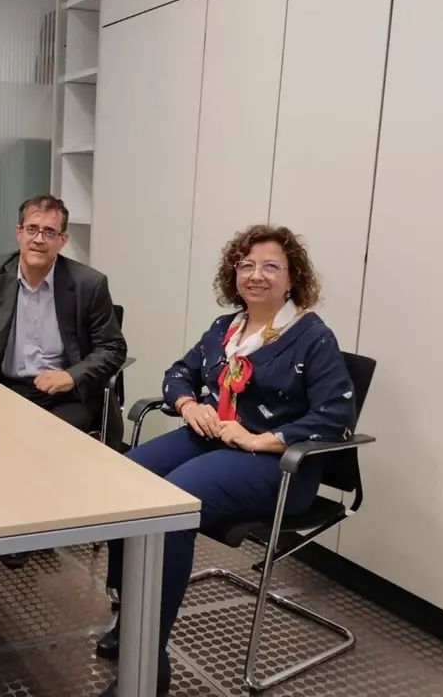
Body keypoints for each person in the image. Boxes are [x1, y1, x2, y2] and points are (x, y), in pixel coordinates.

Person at [96, 225, 356, 697]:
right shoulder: (225, 329)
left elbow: (336, 417)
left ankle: (148, 664)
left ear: (292, 276)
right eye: (246, 265)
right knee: (126, 477)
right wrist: (189, 405)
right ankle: (129, 616)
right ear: (233, 274)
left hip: (278, 466)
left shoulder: (312, 337)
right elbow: (179, 373)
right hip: (213, 440)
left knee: (170, 507)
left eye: (270, 265)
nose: (256, 275)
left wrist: (260, 438)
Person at [0, 194, 127, 569]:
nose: (40, 239)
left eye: (50, 232)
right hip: (5, 387)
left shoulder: (88, 284)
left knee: (35, 441)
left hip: (64, 394)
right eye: (33, 229)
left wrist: (71, 376)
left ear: (62, 240)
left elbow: (113, 349)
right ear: (19, 233)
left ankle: (27, 529)